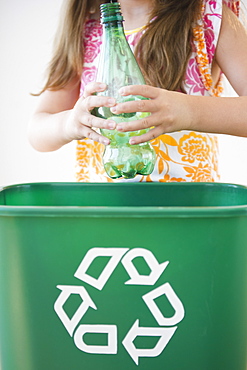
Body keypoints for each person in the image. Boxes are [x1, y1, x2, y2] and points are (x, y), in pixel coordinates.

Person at [28, 0, 247, 182]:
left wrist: (187, 111)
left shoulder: (208, 18)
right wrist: (69, 123)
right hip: (105, 214)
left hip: (187, 212)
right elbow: (37, 131)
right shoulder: (84, 28)